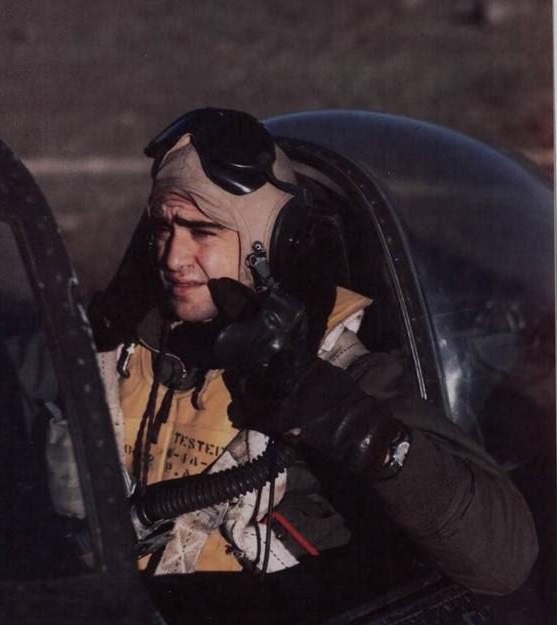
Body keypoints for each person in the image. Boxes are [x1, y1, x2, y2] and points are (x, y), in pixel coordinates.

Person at [51, 107, 538, 593]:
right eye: (163, 229)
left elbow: (505, 560)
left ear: (268, 246)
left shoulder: (337, 370)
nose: (174, 257)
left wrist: (358, 431)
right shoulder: (112, 346)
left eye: (202, 231)